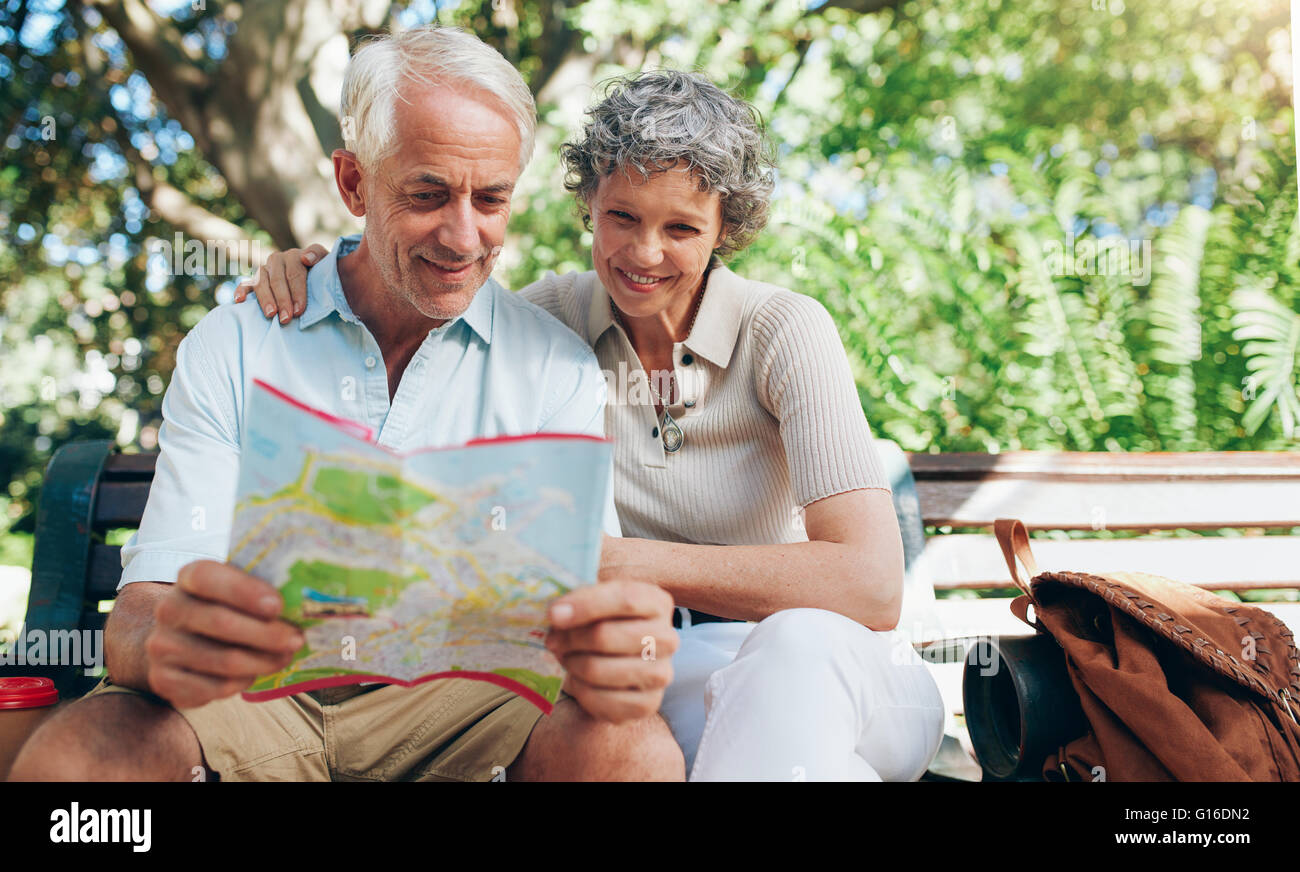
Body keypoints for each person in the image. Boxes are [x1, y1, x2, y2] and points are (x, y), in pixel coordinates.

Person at [9, 26, 684, 783]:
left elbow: (587, 605)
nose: (464, 236)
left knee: (630, 750)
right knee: (79, 763)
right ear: (354, 183)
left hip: (459, 701)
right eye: (427, 194)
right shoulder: (237, 344)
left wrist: (619, 640)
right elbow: (142, 612)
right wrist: (175, 639)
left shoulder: (555, 368)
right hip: (254, 694)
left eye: (491, 198)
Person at [242, 70, 946, 781]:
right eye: (622, 217)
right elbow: (407, 305)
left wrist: (617, 561)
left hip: (841, 670)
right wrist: (319, 272)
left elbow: (870, 584)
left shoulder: (782, 330)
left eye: (681, 228)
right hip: (679, 677)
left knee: (791, 651)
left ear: (724, 228)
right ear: (589, 204)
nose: (643, 253)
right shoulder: (545, 324)